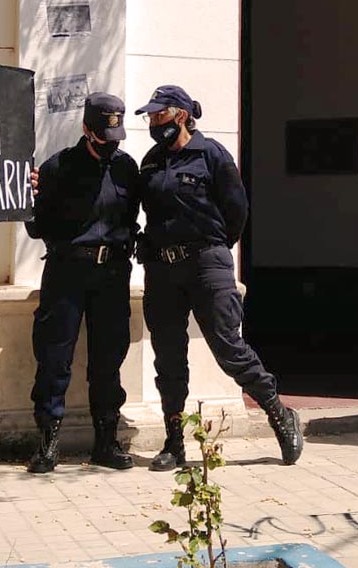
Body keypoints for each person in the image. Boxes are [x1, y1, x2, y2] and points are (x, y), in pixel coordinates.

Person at [134, 85, 303, 470]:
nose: (153, 122)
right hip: (162, 268)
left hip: (206, 264)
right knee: (169, 357)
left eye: (159, 115)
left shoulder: (211, 155)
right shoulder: (150, 161)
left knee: (229, 347)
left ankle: (278, 411)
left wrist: (209, 247)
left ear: (180, 115)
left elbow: (236, 211)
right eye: (151, 116)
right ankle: (174, 441)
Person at [24, 93, 139, 474]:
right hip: (67, 271)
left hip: (112, 274)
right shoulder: (57, 168)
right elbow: (36, 225)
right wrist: (27, 195)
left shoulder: (127, 169)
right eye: (104, 138)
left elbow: (131, 218)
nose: (111, 146)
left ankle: (106, 441)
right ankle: (47, 442)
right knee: (54, 357)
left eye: (116, 138)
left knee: (109, 358)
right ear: (87, 130)